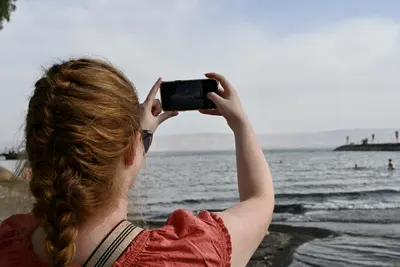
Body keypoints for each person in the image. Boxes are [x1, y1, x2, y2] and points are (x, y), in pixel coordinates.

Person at [0, 58, 274, 267]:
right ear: (131, 151)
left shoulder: (9, 240)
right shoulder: (188, 256)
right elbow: (260, 201)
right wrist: (240, 123)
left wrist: (135, 139)